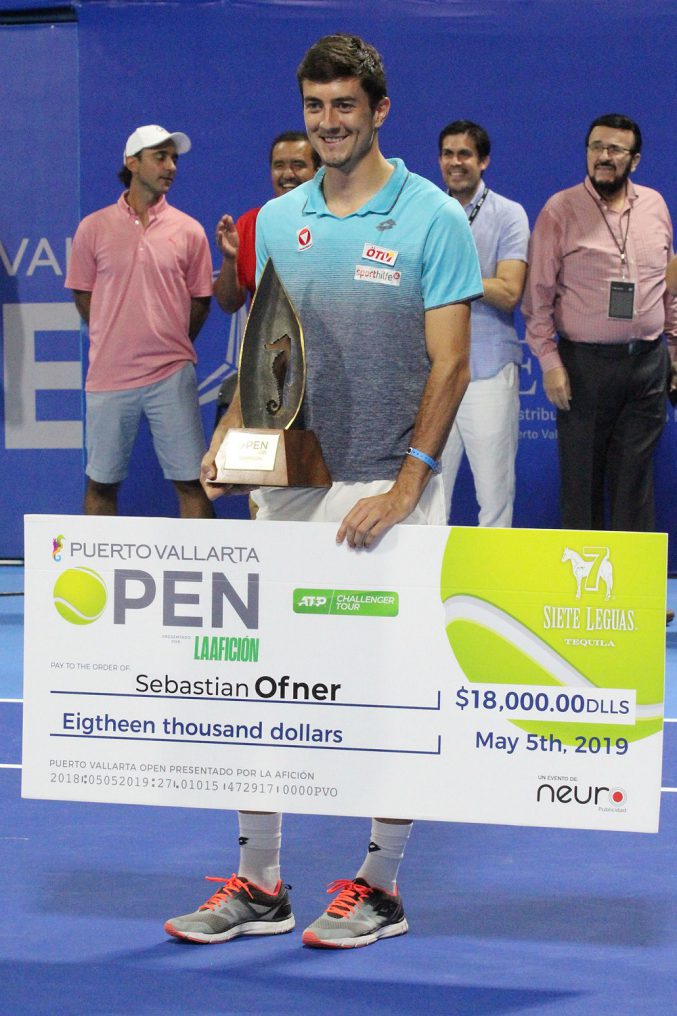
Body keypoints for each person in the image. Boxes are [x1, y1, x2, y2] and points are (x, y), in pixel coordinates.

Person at [164, 33, 482, 949]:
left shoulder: (432, 218)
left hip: (388, 488)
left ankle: (380, 887)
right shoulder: (278, 220)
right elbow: (269, 354)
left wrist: (408, 485)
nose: (328, 122)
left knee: (389, 689)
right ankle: (260, 885)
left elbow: (451, 365)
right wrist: (232, 442)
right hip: (292, 489)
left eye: (345, 106)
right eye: (315, 106)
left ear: (379, 111)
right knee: (264, 685)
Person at [522, 113, 677, 533]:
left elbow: (668, 287)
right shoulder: (560, 210)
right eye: (596, 147)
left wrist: (674, 351)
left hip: (648, 365)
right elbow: (537, 299)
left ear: (635, 160)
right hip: (584, 367)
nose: (603, 156)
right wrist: (550, 362)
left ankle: (630, 577)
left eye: (614, 149)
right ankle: (582, 579)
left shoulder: (656, 206)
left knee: (635, 487)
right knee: (581, 486)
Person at [66, 124, 214, 518]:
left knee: (192, 483)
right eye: (160, 157)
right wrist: (115, 336)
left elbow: (201, 299)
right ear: (132, 163)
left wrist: (169, 342)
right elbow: (83, 294)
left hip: (172, 374)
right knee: (101, 484)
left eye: (174, 159)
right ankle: (96, 561)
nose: (171, 167)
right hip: (109, 376)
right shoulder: (93, 228)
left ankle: (201, 561)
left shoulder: (190, 231)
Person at [438, 120, 529, 526]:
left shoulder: (508, 214)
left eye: (465, 154)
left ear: (483, 161)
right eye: (448, 154)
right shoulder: (428, 213)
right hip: (434, 372)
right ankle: (425, 568)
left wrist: (449, 275)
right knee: (427, 494)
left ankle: (493, 569)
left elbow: (509, 291)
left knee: (493, 496)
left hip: (488, 370)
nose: (455, 162)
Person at [213, 131, 320, 315]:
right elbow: (229, 304)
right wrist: (230, 260)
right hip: (268, 334)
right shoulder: (251, 223)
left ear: (318, 171)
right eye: (279, 165)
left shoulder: (335, 221)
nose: (288, 174)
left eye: (298, 165)